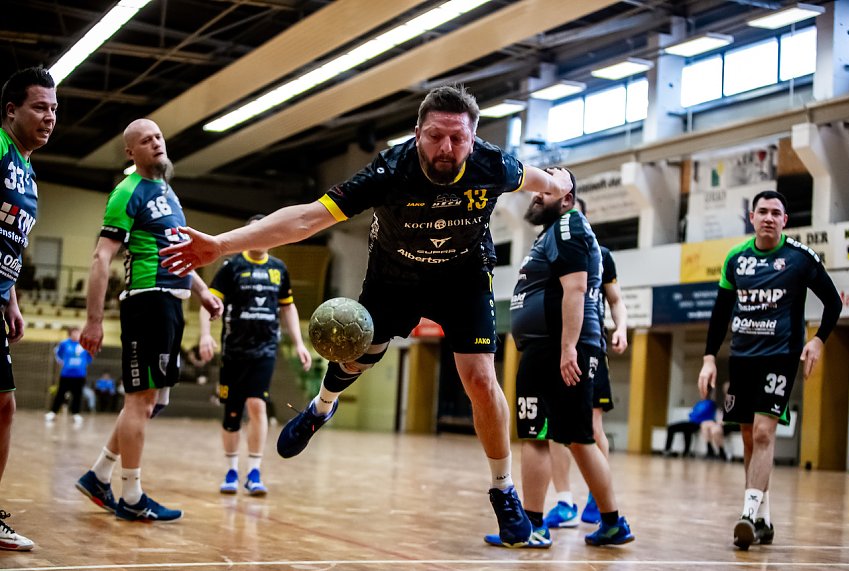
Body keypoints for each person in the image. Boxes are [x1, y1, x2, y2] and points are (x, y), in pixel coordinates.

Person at [160, 85, 574, 546]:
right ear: (417, 133)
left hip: (463, 279)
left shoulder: (493, 165)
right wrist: (222, 244)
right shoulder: (389, 170)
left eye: (458, 138)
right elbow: (307, 219)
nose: (446, 147)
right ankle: (321, 408)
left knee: (480, 379)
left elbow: (544, 181)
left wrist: (560, 183)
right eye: (435, 136)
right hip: (394, 278)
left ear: (473, 140)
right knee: (355, 359)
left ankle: (503, 490)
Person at [75, 118, 223, 523]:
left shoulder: (167, 192)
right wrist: (93, 321)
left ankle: (99, 474)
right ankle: (132, 496)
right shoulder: (128, 192)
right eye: (146, 140)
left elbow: (177, 251)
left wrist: (202, 291)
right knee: (140, 399)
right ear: (131, 152)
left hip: (171, 302)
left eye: (158, 136)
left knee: (154, 400)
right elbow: (101, 257)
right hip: (147, 301)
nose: (156, 143)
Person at [484, 173, 633, 548]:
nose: (537, 195)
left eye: (546, 190)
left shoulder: (570, 227)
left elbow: (577, 289)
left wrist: (569, 348)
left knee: (579, 438)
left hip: (561, 350)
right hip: (541, 350)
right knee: (536, 435)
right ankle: (534, 524)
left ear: (566, 199)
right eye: (536, 189)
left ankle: (612, 522)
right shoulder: (550, 233)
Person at [698, 190, 842, 550]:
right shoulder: (736, 259)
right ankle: (763, 520)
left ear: (784, 221)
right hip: (742, 357)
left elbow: (833, 302)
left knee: (763, 433)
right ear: (751, 217)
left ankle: (747, 515)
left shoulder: (799, 258)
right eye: (762, 211)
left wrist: (818, 340)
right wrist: (709, 357)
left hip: (780, 356)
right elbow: (720, 312)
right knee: (749, 436)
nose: (768, 218)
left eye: (776, 213)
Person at [198, 214, 312, 496]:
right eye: (255, 232)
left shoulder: (278, 269)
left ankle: (254, 472)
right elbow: (208, 301)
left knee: (258, 405)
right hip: (234, 351)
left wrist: (299, 343)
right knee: (232, 413)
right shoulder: (231, 267)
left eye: (266, 232)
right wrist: (205, 334)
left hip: (265, 349)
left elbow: (288, 307)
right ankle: (231, 470)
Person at [544, 196, 628, 528]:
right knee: (555, 428)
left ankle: (597, 495)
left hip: (589, 347)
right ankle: (564, 502)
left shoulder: (601, 255)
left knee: (592, 426)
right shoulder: (548, 249)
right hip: (555, 347)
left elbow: (615, 299)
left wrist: (621, 328)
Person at [0, 66, 56, 551]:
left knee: (3, 405)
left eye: (54, 109)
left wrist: (11, 300)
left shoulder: (28, 172)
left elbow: (11, 245)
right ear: (10, 110)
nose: (50, 117)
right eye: (40, 107)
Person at [45, 326, 93, 426]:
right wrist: (65, 362)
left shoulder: (85, 344)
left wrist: (82, 364)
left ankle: (76, 414)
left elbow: (89, 357)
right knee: (60, 394)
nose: (76, 334)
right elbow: (58, 354)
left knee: (77, 395)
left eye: (78, 332)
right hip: (66, 374)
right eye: (74, 332)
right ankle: (53, 412)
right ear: (70, 333)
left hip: (80, 375)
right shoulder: (64, 343)